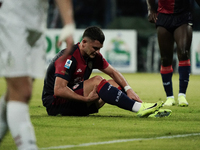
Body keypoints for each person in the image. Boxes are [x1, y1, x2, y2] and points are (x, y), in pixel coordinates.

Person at [42, 26, 165, 118]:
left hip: (76, 102)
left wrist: (128, 89)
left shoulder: (93, 55)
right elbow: (59, 90)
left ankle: (145, 110)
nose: (97, 52)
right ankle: (139, 108)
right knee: (97, 80)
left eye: (99, 48)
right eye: (95, 48)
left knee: (114, 83)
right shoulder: (68, 57)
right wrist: (85, 100)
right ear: (84, 42)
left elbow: (113, 72)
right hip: (55, 104)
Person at [0, 0, 75, 149]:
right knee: (22, 91)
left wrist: (68, 24)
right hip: (11, 16)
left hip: (37, 22)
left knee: (15, 93)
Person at [146, 0, 200, 106]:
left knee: (184, 52)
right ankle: (169, 97)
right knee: (165, 59)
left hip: (183, 17)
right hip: (163, 17)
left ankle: (182, 95)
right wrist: (151, 9)